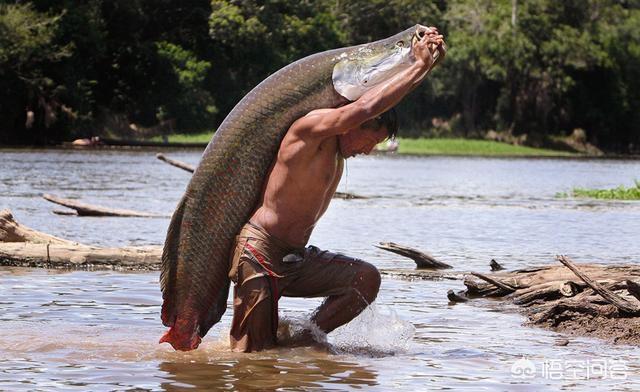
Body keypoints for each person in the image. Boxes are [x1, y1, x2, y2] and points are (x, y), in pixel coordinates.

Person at [228, 27, 446, 352]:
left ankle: (303, 339)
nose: (369, 151)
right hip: (260, 254)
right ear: (353, 125)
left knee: (365, 279)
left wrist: (425, 64)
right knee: (252, 360)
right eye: (370, 141)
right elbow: (364, 107)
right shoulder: (310, 131)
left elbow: (372, 103)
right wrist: (416, 65)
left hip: (296, 259)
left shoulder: (337, 156)